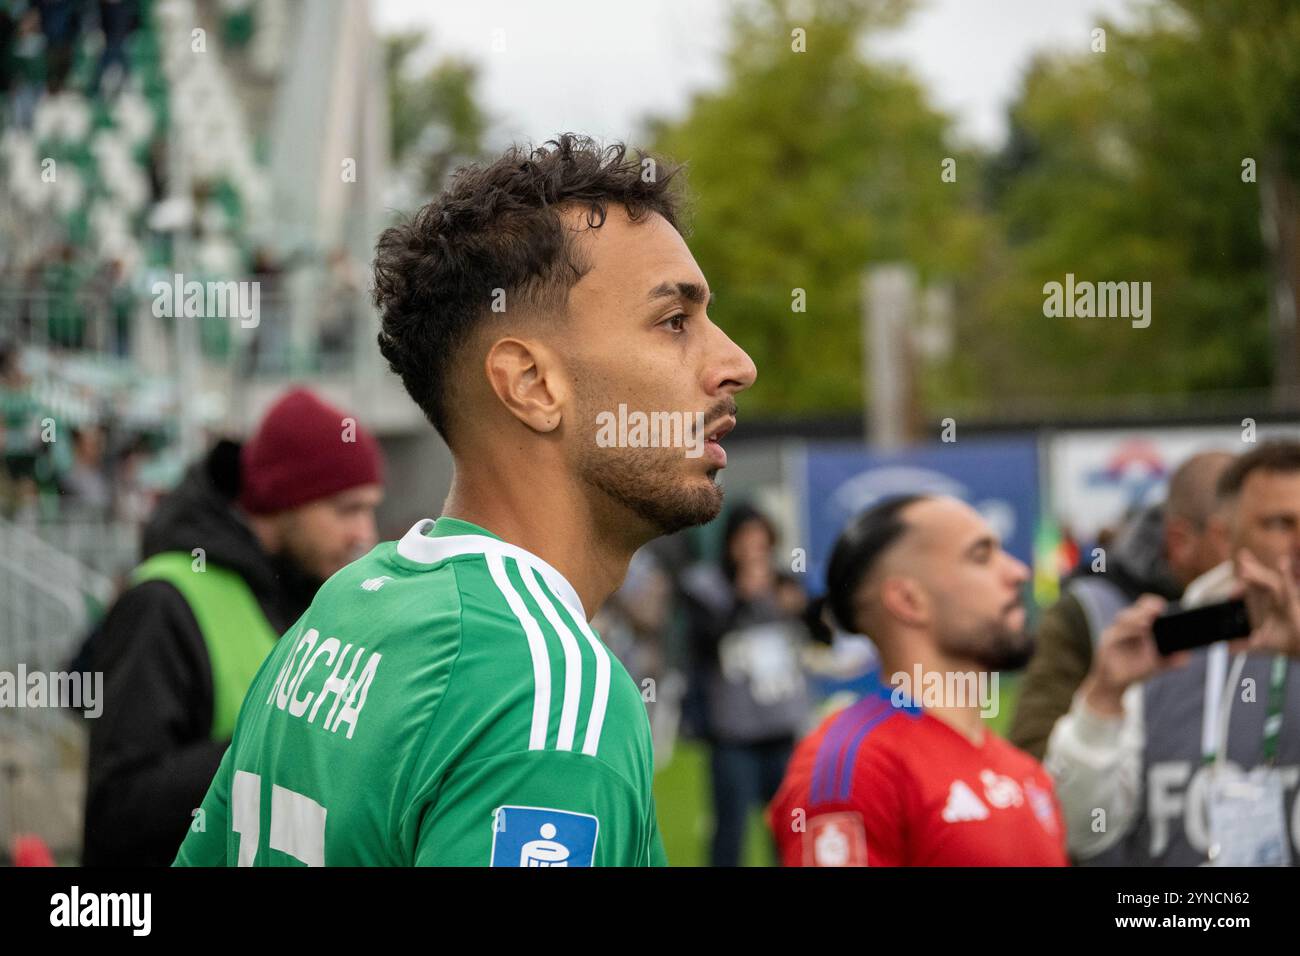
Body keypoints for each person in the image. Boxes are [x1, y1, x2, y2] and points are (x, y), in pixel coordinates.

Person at [174, 133, 757, 867]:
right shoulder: (544, 695)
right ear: (532, 385)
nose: (737, 363)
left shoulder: (349, 604)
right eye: (676, 322)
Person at [83, 388, 384, 865]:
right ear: (283, 501)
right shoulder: (162, 603)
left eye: (371, 508)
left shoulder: (315, 594)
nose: (365, 533)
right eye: (345, 509)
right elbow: (116, 816)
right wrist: (274, 738)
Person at [768, 494, 1067, 866]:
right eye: (981, 555)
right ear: (908, 599)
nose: (1018, 572)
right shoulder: (858, 766)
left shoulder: (1024, 773)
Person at [1046, 440, 1300, 865]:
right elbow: (1080, 831)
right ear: (1228, 536)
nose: (1299, 543)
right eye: (1279, 523)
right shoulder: (1163, 648)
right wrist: (1102, 700)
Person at [1011, 451, 1233, 759]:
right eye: (1235, 537)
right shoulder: (1088, 610)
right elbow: (1035, 757)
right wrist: (1104, 704)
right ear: (1181, 542)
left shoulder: (1278, 608)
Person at [681, 502, 810, 866]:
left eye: (761, 540)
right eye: (746, 540)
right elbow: (703, 643)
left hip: (782, 727)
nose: (754, 550)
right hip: (733, 735)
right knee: (730, 831)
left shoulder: (784, 583)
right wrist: (742, 597)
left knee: (788, 828)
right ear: (729, 543)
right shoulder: (706, 587)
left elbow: (820, 633)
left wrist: (800, 608)